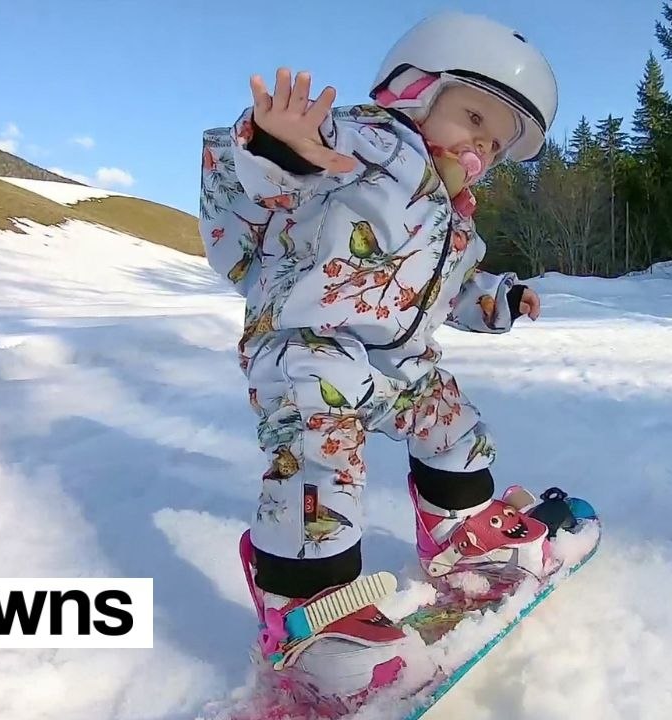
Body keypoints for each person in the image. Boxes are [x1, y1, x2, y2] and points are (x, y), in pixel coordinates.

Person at [199, 10, 559, 702]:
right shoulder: (376, 144)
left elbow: (450, 289)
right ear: (417, 89)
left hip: (396, 360)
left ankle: (460, 532)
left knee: (454, 425)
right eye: (473, 116)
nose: (483, 142)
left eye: (499, 140)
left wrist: (500, 301)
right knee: (319, 464)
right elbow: (293, 167)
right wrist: (285, 144)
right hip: (312, 344)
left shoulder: (453, 217)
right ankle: (305, 617)